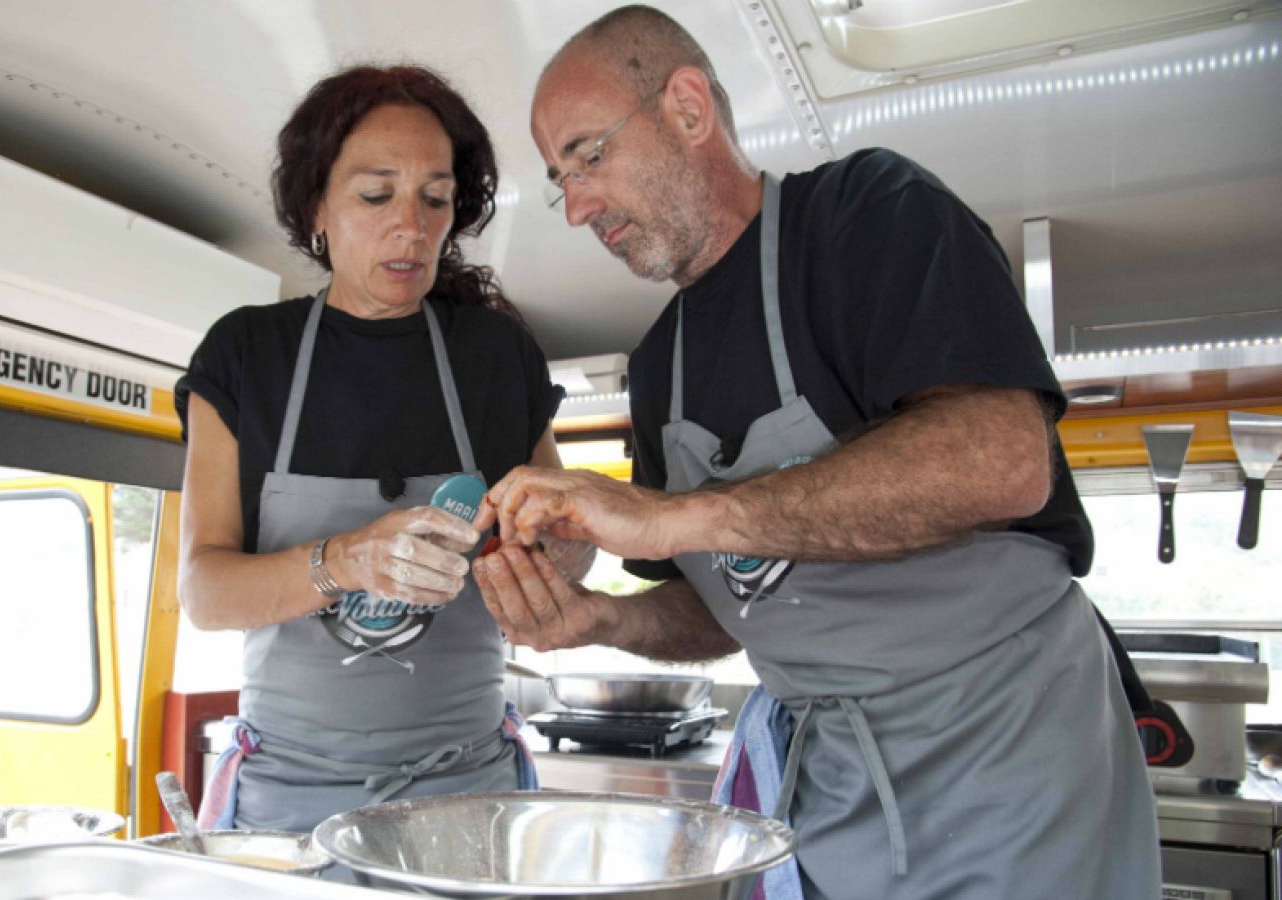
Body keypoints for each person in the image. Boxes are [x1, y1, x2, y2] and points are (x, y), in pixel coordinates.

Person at [471, 7, 1159, 898]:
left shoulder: (866, 215)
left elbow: (1002, 458)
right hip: (834, 795)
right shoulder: (658, 369)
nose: (576, 208)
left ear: (687, 107)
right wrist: (597, 621)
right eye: (560, 179)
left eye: (589, 156)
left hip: (1010, 757)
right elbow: (744, 610)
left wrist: (678, 513)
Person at [174, 64, 590, 833]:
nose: (414, 226)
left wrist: (556, 555)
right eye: (377, 195)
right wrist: (347, 562)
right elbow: (204, 591)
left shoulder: (498, 357)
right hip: (292, 798)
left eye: (436, 199)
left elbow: (566, 550)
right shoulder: (245, 356)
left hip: (470, 796)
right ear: (316, 209)